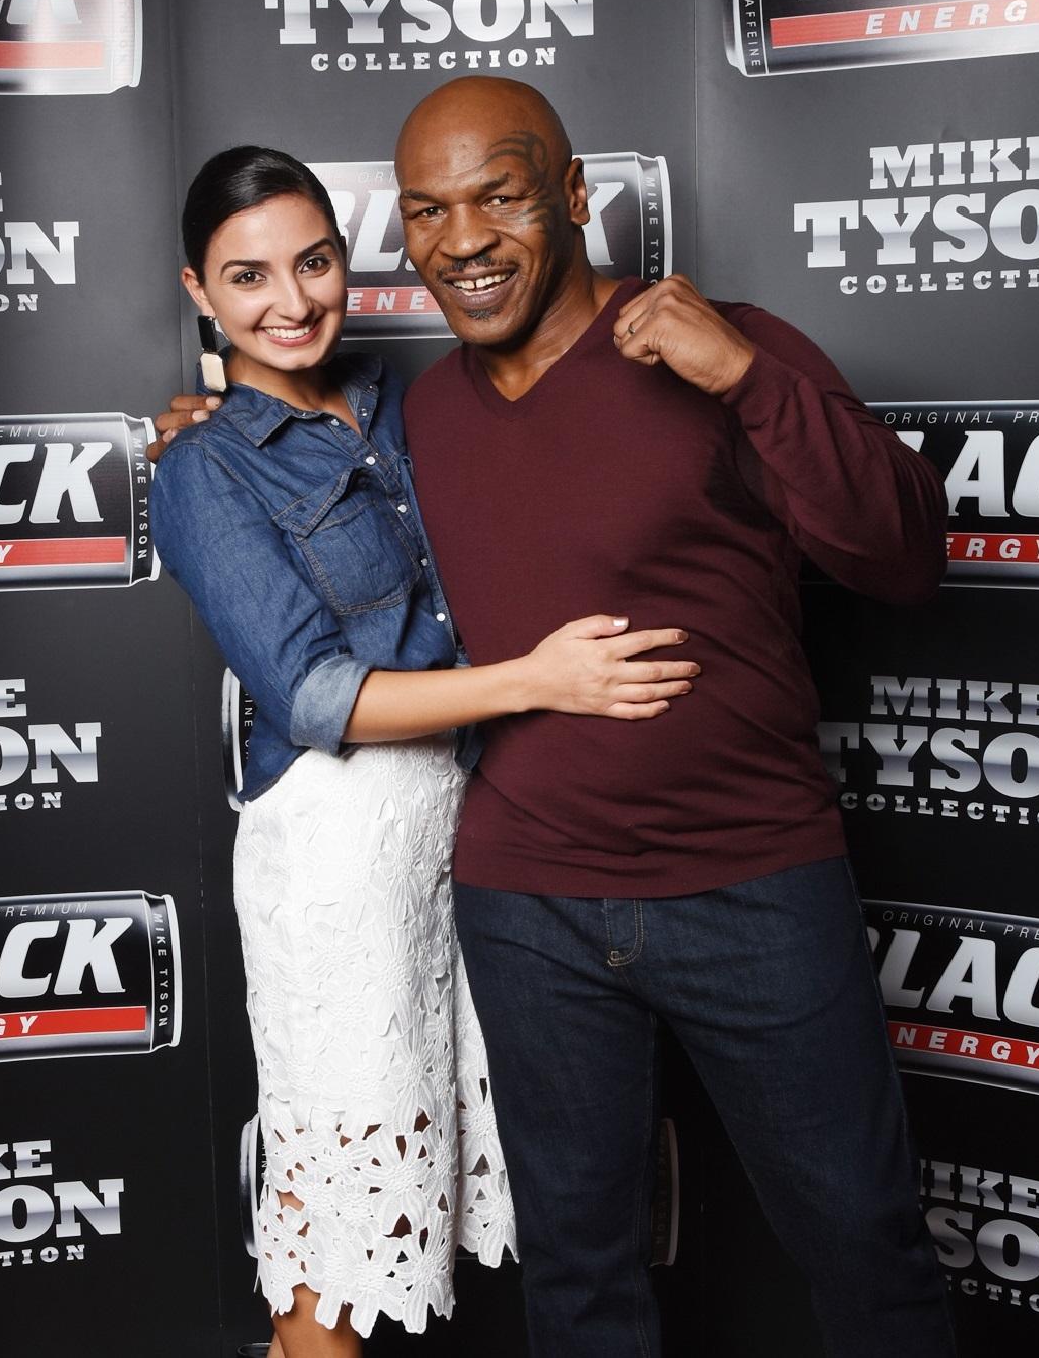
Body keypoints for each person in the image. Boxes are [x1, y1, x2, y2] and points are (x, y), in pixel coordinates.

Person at [154, 80, 956, 1357]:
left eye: (500, 195)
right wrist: (212, 423)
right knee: (575, 1279)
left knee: (866, 1250)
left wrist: (745, 376)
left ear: (575, 196)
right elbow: (290, 512)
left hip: (750, 879)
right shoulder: (419, 413)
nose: (462, 237)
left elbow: (905, 556)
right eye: (427, 210)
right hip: (525, 907)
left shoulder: (712, 349)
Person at [148, 145, 701, 1358]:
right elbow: (311, 692)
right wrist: (537, 681)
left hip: (460, 829)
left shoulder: (401, 402)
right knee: (339, 1200)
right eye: (247, 277)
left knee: (445, 1172)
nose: (289, 302)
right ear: (198, 290)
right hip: (337, 851)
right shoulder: (201, 466)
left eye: (312, 262)